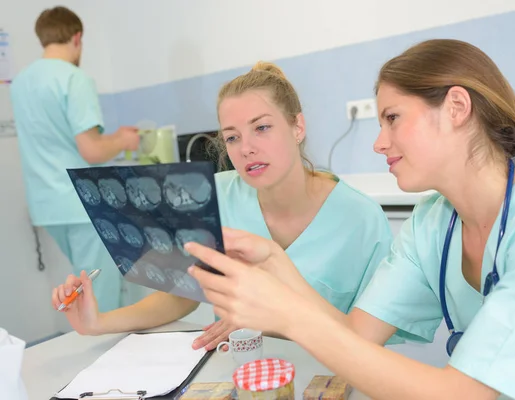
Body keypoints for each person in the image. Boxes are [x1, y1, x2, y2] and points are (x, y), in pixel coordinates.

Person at [186, 39, 515, 399]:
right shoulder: (433, 222)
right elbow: (355, 337)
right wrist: (276, 262)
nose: (379, 142)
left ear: (456, 107)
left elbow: (461, 393)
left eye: (393, 118)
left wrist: (288, 314)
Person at [51, 61, 394, 351]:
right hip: (236, 371)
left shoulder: (360, 219)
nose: (246, 148)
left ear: (297, 127)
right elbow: (182, 294)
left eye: (261, 128)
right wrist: (98, 323)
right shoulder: (214, 196)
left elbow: (369, 343)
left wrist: (266, 320)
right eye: (232, 137)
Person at [10, 6, 140, 312]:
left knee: (86, 282)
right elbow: (91, 150)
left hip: (46, 205)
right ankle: (111, 353)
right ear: (77, 37)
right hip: (81, 202)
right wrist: (123, 139)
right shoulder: (74, 78)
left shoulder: (21, 83)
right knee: (101, 291)